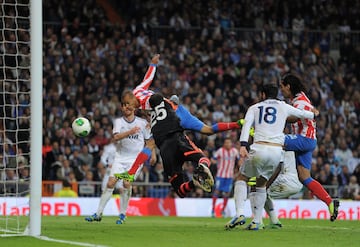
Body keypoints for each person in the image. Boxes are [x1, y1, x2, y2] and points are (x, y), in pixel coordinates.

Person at [117, 54, 243, 181]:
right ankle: (237, 124)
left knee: (150, 144)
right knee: (208, 130)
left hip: (170, 118)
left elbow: (152, 95)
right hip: (178, 110)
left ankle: (131, 173)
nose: (128, 109)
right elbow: (147, 78)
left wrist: (152, 120)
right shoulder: (137, 92)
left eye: (128, 106)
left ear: (130, 100)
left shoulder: (143, 101)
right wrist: (153, 64)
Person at [226, 83, 317, 230]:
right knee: (261, 184)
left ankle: (239, 213)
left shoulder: (254, 108)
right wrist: (314, 113)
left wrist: (243, 145)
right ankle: (256, 222)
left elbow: (247, 126)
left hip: (259, 147)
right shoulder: (283, 106)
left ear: (262, 94)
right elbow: (304, 114)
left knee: (242, 178)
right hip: (276, 152)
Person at [85, 90, 154, 224]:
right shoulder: (118, 122)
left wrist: (153, 155)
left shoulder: (142, 123)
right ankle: (98, 213)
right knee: (111, 183)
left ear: (133, 107)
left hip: (136, 159)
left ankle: (122, 214)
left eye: (127, 104)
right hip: (120, 157)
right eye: (123, 105)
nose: (125, 107)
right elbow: (116, 137)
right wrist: (130, 132)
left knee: (126, 183)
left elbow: (149, 141)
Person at [280, 73, 340, 221]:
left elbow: (295, 117)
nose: (281, 90)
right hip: (308, 140)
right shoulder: (298, 99)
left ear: (288, 86)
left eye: (282, 87)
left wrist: (278, 116)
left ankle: (263, 179)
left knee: (274, 140)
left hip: (304, 139)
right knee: (304, 177)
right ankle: (330, 202)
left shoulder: (299, 102)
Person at [211, 138, 240, 217]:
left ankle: (223, 211)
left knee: (226, 194)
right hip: (220, 175)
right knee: (217, 192)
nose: (227, 144)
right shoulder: (220, 151)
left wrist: (237, 172)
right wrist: (216, 163)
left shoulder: (235, 151)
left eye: (229, 142)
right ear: (224, 144)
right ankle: (213, 210)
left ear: (231, 143)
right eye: (226, 142)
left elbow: (239, 161)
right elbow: (213, 159)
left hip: (229, 176)